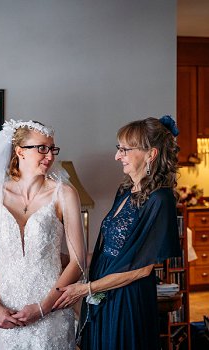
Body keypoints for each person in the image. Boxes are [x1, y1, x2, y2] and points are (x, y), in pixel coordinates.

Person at [0, 119, 87, 349]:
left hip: (51, 307)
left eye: (52, 149)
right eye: (41, 148)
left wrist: (43, 307)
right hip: (7, 309)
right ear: (20, 151)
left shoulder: (65, 194)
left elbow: (78, 261)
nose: (49, 156)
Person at [55, 116, 182, 350]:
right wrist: (71, 260)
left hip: (127, 298)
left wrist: (87, 289)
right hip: (105, 290)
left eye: (124, 149)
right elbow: (113, 252)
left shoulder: (160, 200)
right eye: (118, 148)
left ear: (150, 154)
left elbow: (142, 268)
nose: (117, 156)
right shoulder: (125, 191)